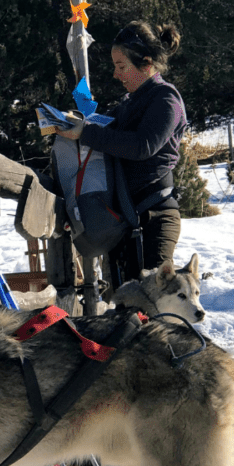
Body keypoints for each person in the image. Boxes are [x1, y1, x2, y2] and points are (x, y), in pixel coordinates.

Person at [55, 20, 188, 284]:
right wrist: (79, 118)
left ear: (146, 63)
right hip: (127, 221)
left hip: (156, 218)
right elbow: (106, 129)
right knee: (126, 308)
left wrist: (85, 132)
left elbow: (142, 146)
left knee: (155, 304)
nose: (116, 74)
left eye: (121, 66)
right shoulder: (130, 103)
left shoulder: (165, 99)